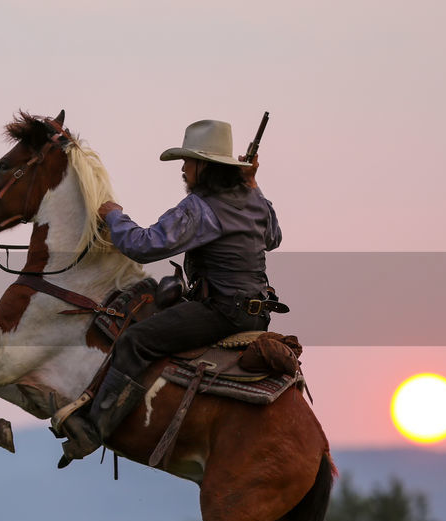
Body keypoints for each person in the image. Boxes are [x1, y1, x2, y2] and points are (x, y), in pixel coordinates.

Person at [56, 118, 284, 467]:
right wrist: (253, 183)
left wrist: (113, 215)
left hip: (220, 312)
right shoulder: (255, 200)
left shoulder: (199, 208)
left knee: (136, 339)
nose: (183, 169)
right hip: (259, 313)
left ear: (204, 166)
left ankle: (92, 429)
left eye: (188, 161)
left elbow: (143, 245)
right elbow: (273, 238)